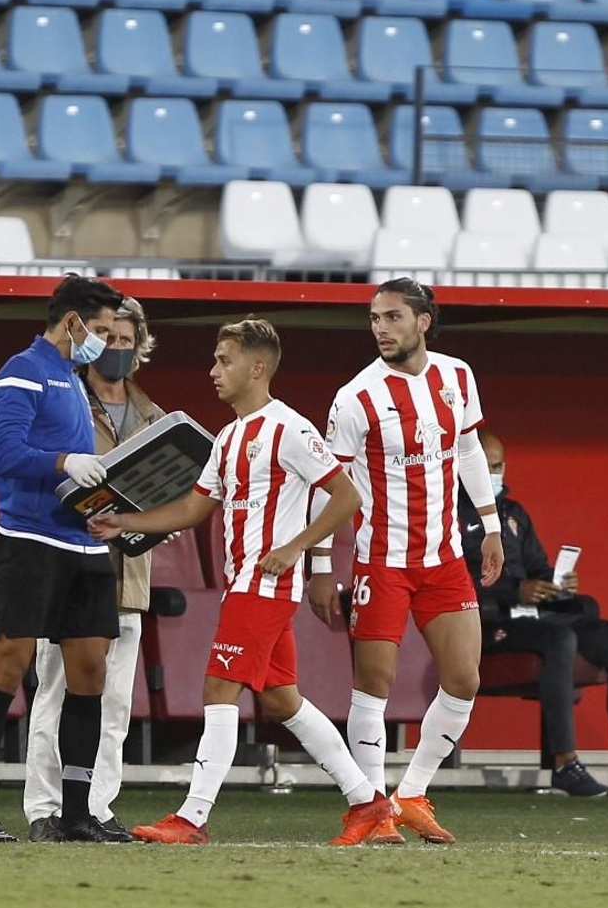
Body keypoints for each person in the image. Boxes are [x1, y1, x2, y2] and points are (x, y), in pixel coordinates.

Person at [93, 321, 398, 847]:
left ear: (256, 368)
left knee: (218, 689)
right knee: (283, 702)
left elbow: (349, 497)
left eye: (223, 361)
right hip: (247, 586)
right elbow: (193, 508)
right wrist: (126, 523)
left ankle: (191, 818)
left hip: (265, 586)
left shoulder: (290, 429)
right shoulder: (230, 436)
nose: (213, 371)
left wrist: (295, 547)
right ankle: (368, 804)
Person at [307, 280, 504, 847]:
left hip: (444, 557)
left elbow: (467, 449)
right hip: (382, 561)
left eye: (393, 317)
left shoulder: (457, 376)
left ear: (423, 321)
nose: (380, 328)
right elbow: (330, 485)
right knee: (375, 685)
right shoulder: (355, 397)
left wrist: (489, 526)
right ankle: (373, 810)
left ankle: (412, 793)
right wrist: (323, 562)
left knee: (465, 678)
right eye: (374, 318)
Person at [0, 272, 125, 842]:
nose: (104, 341)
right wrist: (63, 463)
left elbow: (77, 473)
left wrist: (123, 514)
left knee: (90, 673)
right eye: (99, 329)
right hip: (29, 539)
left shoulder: (75, 380)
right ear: (73, 322)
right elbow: (4, 454)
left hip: (82, 541)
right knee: (8, 667)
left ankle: (77, 815)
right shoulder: (21, 371)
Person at [23, 297, 165, 843]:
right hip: (68, 560)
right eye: (109, 338)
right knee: (56, 693)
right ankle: (45, 808)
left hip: (130, 571)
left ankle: (97, 807)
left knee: (116, 703)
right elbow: (41, 472)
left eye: (128, 340)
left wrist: (159, 519)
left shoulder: (154, 414)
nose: (118, 348)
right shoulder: (64, 399)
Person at [461, 430, 608, 799]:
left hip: (533, 614)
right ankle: (564, 764)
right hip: (487, 622)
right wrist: (513, 591)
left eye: (499, 465)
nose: (495, 473)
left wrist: (556, 583)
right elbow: (450, 582)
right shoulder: (447, 515)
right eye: (487, 466)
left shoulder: (514, 513)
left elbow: (537, 566)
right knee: (560, 638)